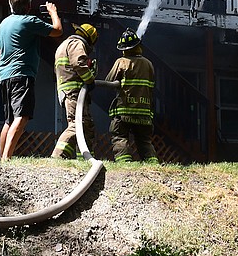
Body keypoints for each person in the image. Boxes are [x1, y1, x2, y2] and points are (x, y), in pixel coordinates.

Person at [0, 0, 62, 161]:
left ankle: (1, 159)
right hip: (22, 74)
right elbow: (57, 30)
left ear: (10, 4)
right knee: (22, 116)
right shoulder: (28, 21)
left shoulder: (3, 24)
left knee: (9, 120)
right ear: (28, 6)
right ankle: (6, 159)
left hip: (4, 75)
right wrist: (52, 12)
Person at [105, 29, 158, 163]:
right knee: (144, 140)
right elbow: (151, 87)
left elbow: (109, 81)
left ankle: (125, 165)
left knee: (119, 137)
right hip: (144, 112)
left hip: (124, 110)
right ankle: (153, 165)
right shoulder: (148, 64)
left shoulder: (121, 62)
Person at [51, 22, 99, 159]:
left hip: (69, 90)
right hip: (74, 90)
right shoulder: (77, 44)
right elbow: (78, 64)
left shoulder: (66, 44)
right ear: (89, 39)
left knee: (86, 125)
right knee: (76, 125)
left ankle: (85, 159)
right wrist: (90, 79)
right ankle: (57, 156)